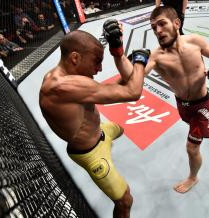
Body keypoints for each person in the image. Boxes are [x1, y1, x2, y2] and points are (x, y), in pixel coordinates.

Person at [39, 29, 150, 218]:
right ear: (75, 57)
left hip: (99, 131)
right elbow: (133, 92)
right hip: (90, 152)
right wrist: (140, 61)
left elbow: (114, 87)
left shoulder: (69, 77)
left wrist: (119, 54)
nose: (99, 69)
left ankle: (107, 137)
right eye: (97, 61)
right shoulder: (61, 86)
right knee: (125, 201)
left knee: (119, 128)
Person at [120, 6, 209, 193]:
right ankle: (199, 130)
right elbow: (133, 77)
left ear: (177, 23)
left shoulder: (194, 41)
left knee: (192, 148)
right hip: (182, 106)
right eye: (153, 28)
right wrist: (119, 54)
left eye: (162, 24)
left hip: (202, 105)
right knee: (191, 128)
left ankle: (193, 177)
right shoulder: (156, 56)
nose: (158, 31)